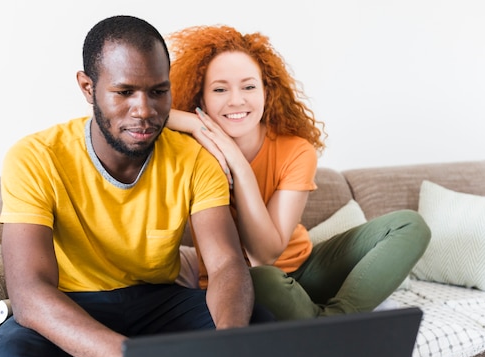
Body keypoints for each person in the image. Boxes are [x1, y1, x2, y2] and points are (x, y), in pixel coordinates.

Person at [0, 16, 272, 357]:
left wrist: (231, 341)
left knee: (262, 331)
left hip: (157, 301)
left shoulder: (194, 160)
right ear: (87, 87)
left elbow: (225, 264)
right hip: (70, 302)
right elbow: (31, 297)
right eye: (124, 92)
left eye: (158, 91)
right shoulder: (35, 157)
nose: (144, 110)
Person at [166, 25, 432, 319]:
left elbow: (268, 251)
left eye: (249, 86)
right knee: (261, 278)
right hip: (247, 286)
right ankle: (328, 325)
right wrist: (192, 124)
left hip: (307, 269)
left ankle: (334, 319)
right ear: (200, 100)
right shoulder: (188, 150)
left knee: (409, 225)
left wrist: (239, 166)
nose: (236, 100)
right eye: (219, 89)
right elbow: (135, 113)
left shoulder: (295, 150)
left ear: (267, 92)